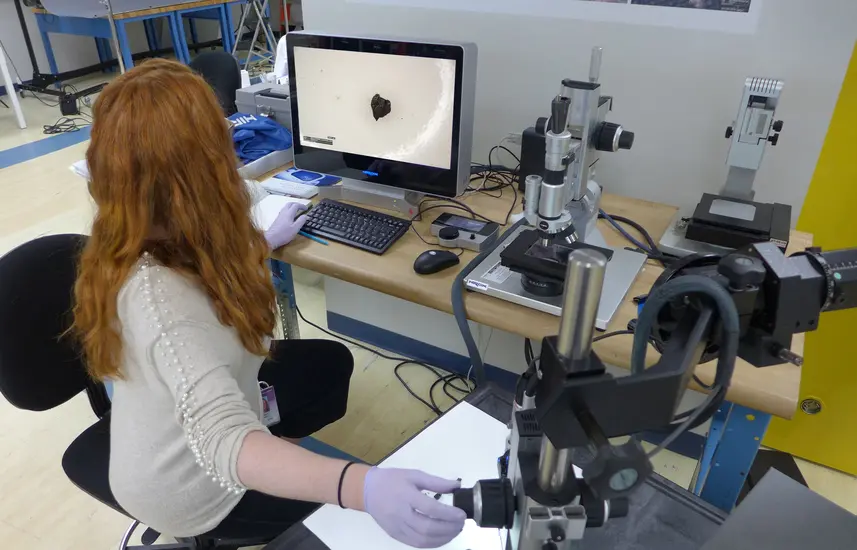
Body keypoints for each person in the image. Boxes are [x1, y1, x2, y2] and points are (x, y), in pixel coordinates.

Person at [72, 59, 466, 548]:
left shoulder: (151, 227)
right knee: (340, 514)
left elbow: (202, 267)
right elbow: (225, 441)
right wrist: (360, 485)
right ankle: (264, 491)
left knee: (327, 364)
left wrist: (262, 242)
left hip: (199, 419)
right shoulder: (158, 301)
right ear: (199, 169)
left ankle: (278, 449)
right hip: (193, 490)